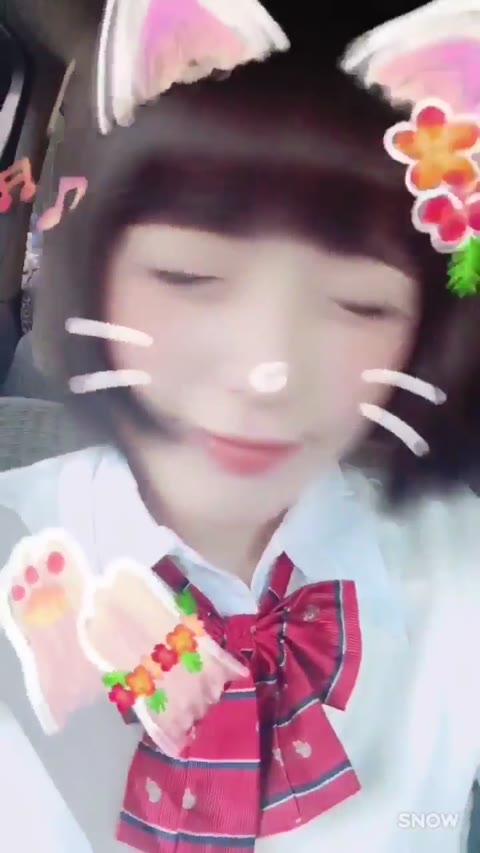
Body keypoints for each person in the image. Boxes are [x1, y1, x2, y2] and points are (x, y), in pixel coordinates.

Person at [0, 1, 480, 851]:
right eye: (189, 276)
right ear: (98, 274)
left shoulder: (458, 566)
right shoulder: (16, 535)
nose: (267, 370)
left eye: (355, 302)